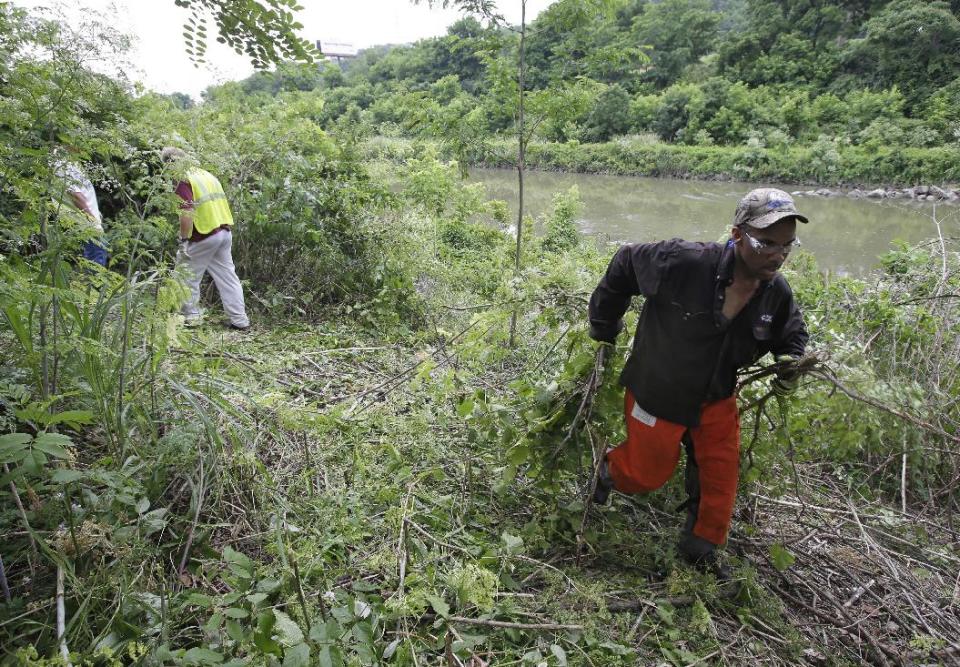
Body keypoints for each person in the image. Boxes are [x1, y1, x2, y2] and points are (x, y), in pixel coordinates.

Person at [587, 188, 809, 578]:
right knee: (646, 474)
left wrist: (791, 366)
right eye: (767, 243)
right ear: (737, 235)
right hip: (658, 390)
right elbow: (624, 261)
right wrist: (605, 323)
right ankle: (607, 471)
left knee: (720, 479)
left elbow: (792, 337)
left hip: (716, 397)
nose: (778, 255)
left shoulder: (776, 293)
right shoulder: (683, 262)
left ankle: (700, 549)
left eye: (788, 245)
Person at [160, 147, 250, 331]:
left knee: (186, 276)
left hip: (203, 235)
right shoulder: (207, 175)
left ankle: (191, 318)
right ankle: (240, 321)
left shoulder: (184, 180)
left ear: (171, 164)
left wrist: (184, 240)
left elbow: (186, 212)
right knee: (228, 278)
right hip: (223, 232)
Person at [52, 156, 108, 266]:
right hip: (85, 225)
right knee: (95, 267)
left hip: (86, 223)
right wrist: (91, 219)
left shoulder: (70, 161)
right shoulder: (62, 162)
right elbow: (75, 195)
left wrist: (96, 214)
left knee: (92, 264)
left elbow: (82, 192)